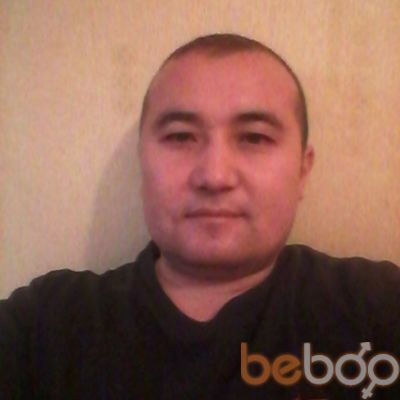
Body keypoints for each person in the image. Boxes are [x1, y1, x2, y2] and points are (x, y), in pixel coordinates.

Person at [0, 33, 399, 400]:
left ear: (302, 171)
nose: (214, 176)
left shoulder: (378, 310)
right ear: (142, 162)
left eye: (254, 137)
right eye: (180, 136)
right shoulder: (44, 327)